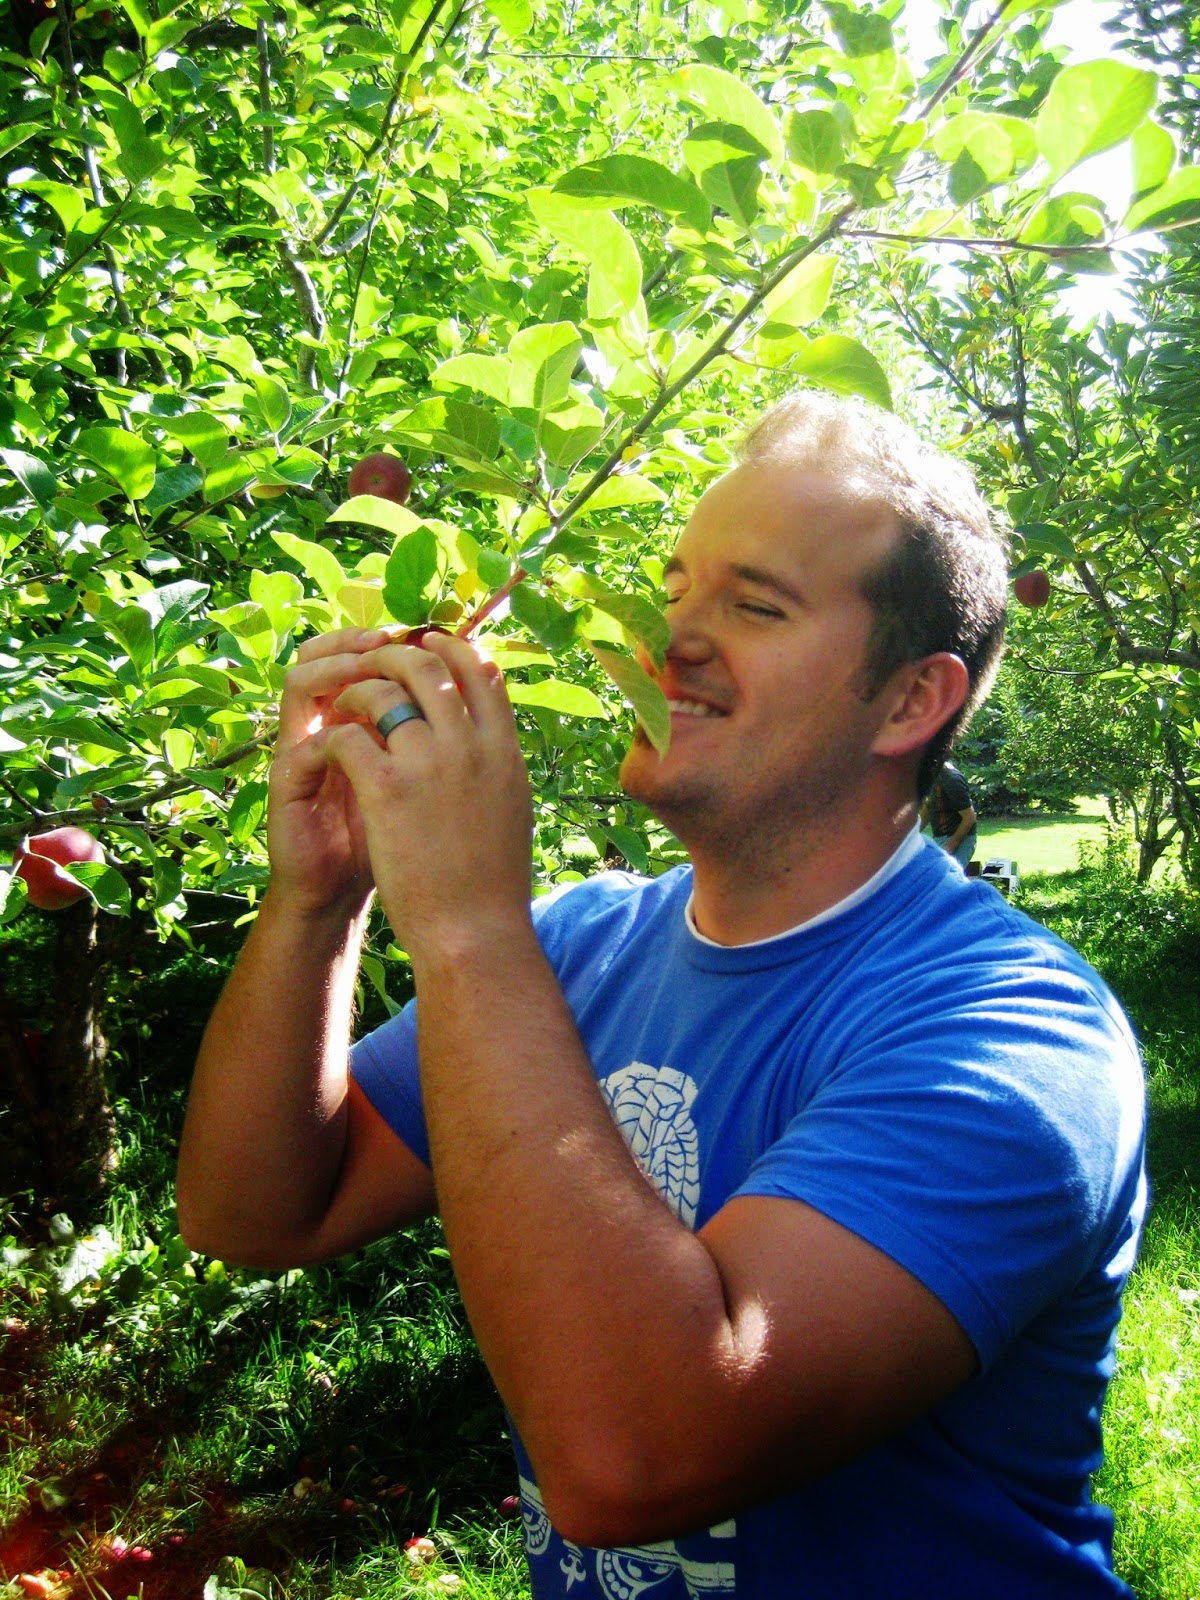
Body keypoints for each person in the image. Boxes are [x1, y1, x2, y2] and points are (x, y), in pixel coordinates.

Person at [177, 393, 1146, 1600]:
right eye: (674, 587)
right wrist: (318, 903)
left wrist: (468, 923)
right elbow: (252, 1212)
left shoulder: (1013, 1036)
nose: (668, 634)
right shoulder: (579, 949)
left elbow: (633, 1459)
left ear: (910, 701)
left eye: (754, 604)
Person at [922, 759, 978, 865]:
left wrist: (949, 847)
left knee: (946, 877)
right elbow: (927, 808)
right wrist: (909, 835)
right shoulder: (931, 775)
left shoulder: (951, 778)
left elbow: (969, 817)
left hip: (959, 839)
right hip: (941, 837)